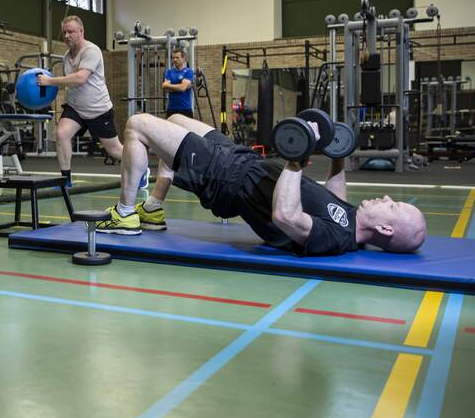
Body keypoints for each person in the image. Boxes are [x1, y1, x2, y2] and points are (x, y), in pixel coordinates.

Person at [96, 113, 427, 256]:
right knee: (175, 121)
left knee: (137, 126)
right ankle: (153, 208)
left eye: (393, 206)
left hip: (226, 177)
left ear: (385, 230)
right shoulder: (349, 221)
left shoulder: (334, 239)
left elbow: (285, 216)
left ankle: (125, 214)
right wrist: (337, 153)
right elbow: (333, 197)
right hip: (241, 160)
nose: (386, 197)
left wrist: (297, 158)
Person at [37, 15, 148, 188]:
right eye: (64, 32)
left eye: (71, 32)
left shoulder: (91, 50)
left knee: (115, 150)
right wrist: (43, 91)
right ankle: (65, 180)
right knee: (61, 134)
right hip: (75, 108)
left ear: (81, 31)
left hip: (98, 109)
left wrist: (50, 81)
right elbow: (69, 82)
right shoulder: (67, 56)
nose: (67, 36)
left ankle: (141, 169)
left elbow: (80, 78)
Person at [162, 47, 194, 117]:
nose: (175, 60)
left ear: (183, 58)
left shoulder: (189, 71)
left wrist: (171, 87)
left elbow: (182, 88)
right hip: (171, 109)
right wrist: (180, 86)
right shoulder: (169, 71)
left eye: (177, 58)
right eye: (173, 58)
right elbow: (164, 87)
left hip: (185, 109)